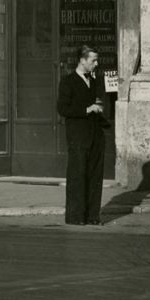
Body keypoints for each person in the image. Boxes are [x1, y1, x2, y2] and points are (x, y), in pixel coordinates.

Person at [57, 45, 107, 226]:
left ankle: (93, 216)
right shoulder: (68, 81)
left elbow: (98, 104)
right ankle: (75, 217)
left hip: (95, 136)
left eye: (97, 60)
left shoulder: (93, 82)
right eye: (93, 60)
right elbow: (62, 109)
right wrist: (87, 109)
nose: (96, 63)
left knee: (95, 177)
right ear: (82, 60)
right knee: (77, 175)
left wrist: (100, 111)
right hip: (78, 136)